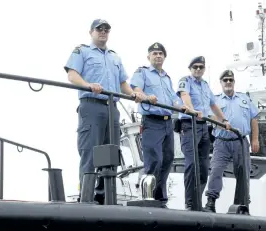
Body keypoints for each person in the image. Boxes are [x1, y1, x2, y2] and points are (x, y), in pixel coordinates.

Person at [64, 19, 144, 204]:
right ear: (91, 32)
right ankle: (87, 197)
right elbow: (72, 75)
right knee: (90, 152)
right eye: (99, 29)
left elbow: (123, 82)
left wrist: (133, 94)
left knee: (111, 153)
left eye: (106, 29)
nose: (103, 32)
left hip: (112, 109)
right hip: (91, 105)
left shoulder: (115, 57)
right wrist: (88, 85)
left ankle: (105, 197)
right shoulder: (82, 51)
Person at [130, 42, 191, 208]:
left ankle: (160, 199)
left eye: (160, 53)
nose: (158, 56)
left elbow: (173, 98)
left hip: (167, 124)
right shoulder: (142, 72)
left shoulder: (166, 77)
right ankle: (148, 199)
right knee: (154, 159)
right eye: (154, 53)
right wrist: (146, 96)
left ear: (164, 57)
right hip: (152, 122)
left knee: (167, 159)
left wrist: (182, 106)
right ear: (148, 56)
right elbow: (136, 90)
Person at [176, 56, 231, 210]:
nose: (198, 69)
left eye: (201, 67)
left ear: (204, 69)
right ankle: (189, 203)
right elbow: (184, 96)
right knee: (192, 164)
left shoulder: (206, 86)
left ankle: (197, 202)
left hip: (204, 127)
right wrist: (192, 110)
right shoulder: (185, 81)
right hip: (189, 125)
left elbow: (213, 105)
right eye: (195, 67)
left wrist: (224, 120)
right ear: (190, 68)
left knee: (203, 167)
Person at [203, 69, 259, 213]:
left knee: (243, 173)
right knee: (215, 170)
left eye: (230, 80)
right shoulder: (214, 100)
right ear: (221, 83)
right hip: (221, 141)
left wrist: (254, 139)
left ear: (234, 82)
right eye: (225, 80)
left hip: (240, 141)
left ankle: (242, 205)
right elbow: (211, 118)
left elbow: (254, 118)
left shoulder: (244, 99)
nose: (228, 82)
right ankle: (211, 202)